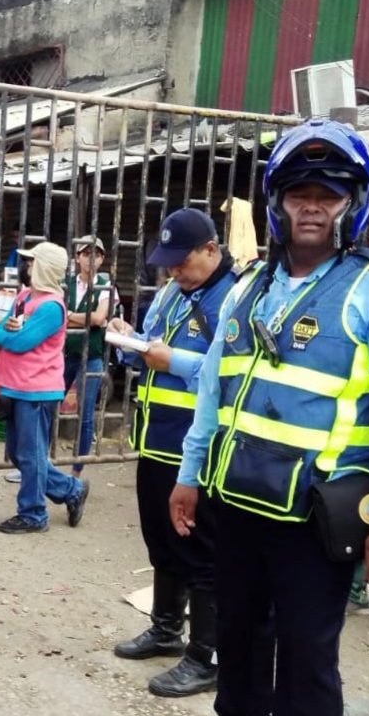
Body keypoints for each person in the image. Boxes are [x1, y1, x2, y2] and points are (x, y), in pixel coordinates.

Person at [169, 120, 369, 716]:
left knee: (306, 664)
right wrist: (189, 473)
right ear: (277, 205)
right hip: (236, 505)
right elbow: (213, 388)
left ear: (353, 204)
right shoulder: (248, 289)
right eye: (299, 195)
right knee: (238, 648)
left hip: (315, 520)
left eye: (328, 196)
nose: (311, 208)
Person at [107, 209, 238, 697]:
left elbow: (234, 373)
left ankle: (206, 657)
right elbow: (150, 348)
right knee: (162, 541)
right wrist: (129, 341)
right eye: (169, 263)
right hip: (156, 439)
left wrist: (173, 360)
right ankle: (165, 629)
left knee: (201, 551)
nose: (175, 271)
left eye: (183, 262)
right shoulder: (168, 294)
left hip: (198, 446)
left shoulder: (236, 298)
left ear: (211, 249)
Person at [0, 241, 89, 534]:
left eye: (31, 262)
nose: (26, 267)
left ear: (44, 267)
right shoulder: (25, 296)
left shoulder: (52, 307)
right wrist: (2, 329)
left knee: (30, 454)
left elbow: (17, 341)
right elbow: (8, 327)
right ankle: (71, 490)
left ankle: (33, 514)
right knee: (20, 453)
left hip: (37, 390)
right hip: (15, 385)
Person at [62, 234, 115, 478]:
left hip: (92, 356)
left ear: (102, 259)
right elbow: (58, 314)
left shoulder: (105, 285)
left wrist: (69, 315)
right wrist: (79, 317)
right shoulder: (67, 284)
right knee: (48, 405)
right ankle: (40, 462)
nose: (91, 259)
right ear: (77, 257)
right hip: (65, 354)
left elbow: (98, 318)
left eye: (96, 254)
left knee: (85, 417)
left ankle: (76, 471)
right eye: (86, 253)